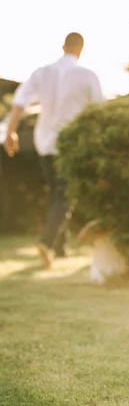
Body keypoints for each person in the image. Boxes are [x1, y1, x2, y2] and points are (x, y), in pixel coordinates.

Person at [3, 32, 105, 268]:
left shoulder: (42, 73)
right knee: (65, 196)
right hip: (69, 144)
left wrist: (11, 132)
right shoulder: (87, 75)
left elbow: (20, 102)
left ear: (63, 46)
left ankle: (59, 247)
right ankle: (47, 243)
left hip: (44, 143)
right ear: (80, 49)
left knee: (57, 193)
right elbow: (99, 111)